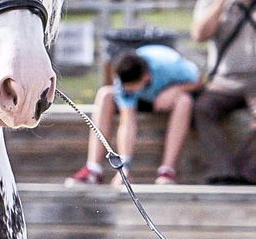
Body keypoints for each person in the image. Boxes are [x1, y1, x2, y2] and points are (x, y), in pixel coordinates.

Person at [65, 44, 201, 187]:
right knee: (105, 95)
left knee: (185, 101)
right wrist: (124, 167)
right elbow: (127, 121)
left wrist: (175, 89)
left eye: (132, 88)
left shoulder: (170, 65)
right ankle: (93, 170)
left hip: (169, 95)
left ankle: (167, 171)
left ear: (146, 76)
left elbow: (199, 81)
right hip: (143, 100)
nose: (128, 91)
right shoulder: (123, 80)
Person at [190, 0, 256, 184]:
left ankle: (248, 174)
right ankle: (222, 172)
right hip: (224, 82)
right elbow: (199, 35)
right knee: (202, 109)